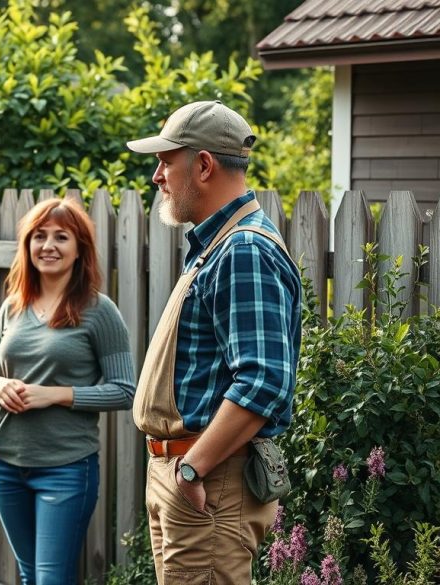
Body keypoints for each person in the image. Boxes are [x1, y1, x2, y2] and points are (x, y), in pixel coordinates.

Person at [126, 100, 302, 584]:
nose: (157, 176)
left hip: (208, 479)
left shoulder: (243, 250)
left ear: (203, 165)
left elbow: (264, 381)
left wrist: (191, 470)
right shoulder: (217, 246)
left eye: (166, 161)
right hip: (186, 472)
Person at [0, 197, 136, 585]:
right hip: (5, 461)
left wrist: (56, 394)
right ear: (28, 245)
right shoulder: (13, 306)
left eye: (61, 237)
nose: (48, 246)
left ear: (80, 248)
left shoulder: (100, 311)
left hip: (66, 468)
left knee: (51, 579)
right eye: (39, 236)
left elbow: (126, 390)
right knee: (30, 576)